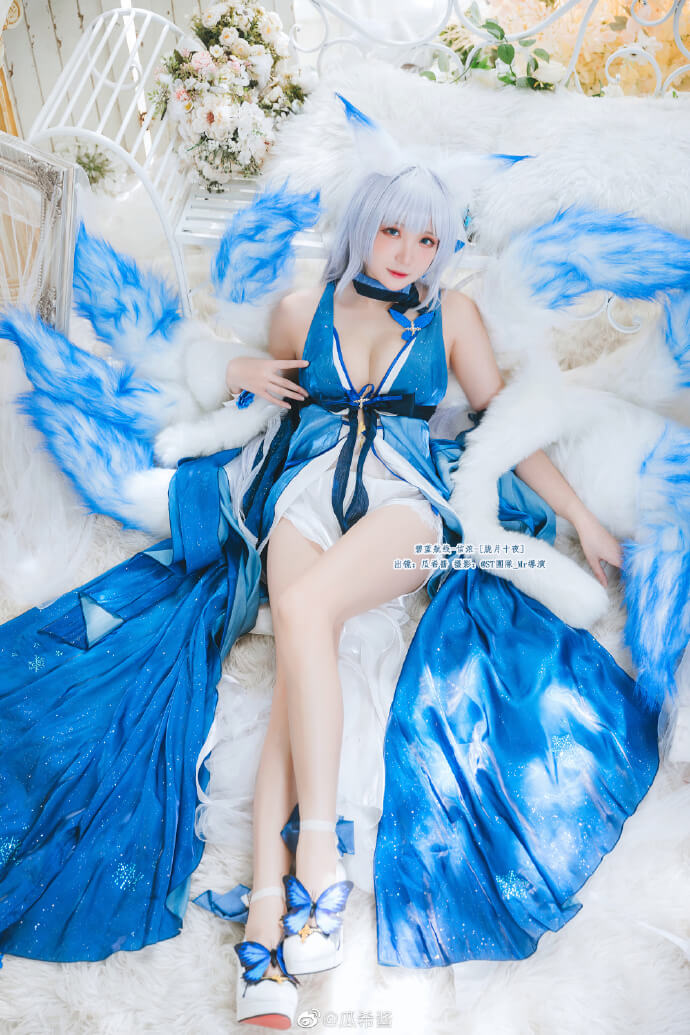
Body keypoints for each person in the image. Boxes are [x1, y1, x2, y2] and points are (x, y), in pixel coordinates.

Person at [0, 156, 659, 1032]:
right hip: (303, 496)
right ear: (362, 225)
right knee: (296, 658)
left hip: (405, 505)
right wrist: (234, 369)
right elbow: (247, 390)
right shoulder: (299, 309)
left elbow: (506, 425)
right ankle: (270, 925)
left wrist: (580, 514)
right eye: (393, 230)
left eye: (428, 239)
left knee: (306, 613)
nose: (408, 253)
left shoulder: (453, 314)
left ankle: (309, 869)